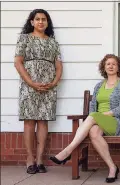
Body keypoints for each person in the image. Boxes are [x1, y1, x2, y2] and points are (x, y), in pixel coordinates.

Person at [50, 54, 120, 183]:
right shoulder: (99, 86)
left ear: (118, 67)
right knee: (93, 132)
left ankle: (68, 151)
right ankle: (112, 168)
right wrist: (96, 117)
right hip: (97, 121)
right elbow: (93, 107)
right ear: (103, 67)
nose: (111, 66)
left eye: (114, 64)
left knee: (92, 116)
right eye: (108, 64)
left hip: (115, 123)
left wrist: (100, 116)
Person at [14, 9, 63, 174]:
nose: (41, 22)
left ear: (47, 23)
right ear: (32, 22)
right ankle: (30, 160)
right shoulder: (24, 39)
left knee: (43, 121)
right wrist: (32, 83)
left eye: (44, 19)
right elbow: (18, 63)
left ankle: (40, 160)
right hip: (29, 86)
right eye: (38, 19)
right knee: (29, 121)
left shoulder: (53, 42)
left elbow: (59, 65)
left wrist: (54, 83)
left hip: (48, 87)